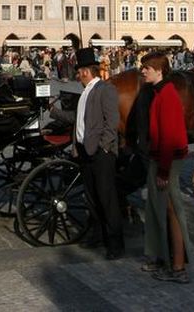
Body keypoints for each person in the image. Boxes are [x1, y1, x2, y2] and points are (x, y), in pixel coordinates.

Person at [140, 51, 191, 284]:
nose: (143, 71)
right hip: (159, 158)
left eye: (147, 68)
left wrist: (162, 171)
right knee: (158, 209)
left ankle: (178, 266)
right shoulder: (158, 92)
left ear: (159, 70)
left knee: (171, 210)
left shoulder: (167, 94)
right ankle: (162, 257)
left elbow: (170, 137)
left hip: (167, 161)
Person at [70, 47, 124, 260]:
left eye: (79, 71)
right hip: (85, 151)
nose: (77, 75)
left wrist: (103, 145)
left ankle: (116, 243)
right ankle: (97, 235)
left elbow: (112, 122)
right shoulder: (84, 92)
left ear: (86, 71)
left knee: (107, 197)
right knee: (91, 197)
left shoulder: (105, 89)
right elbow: (79, 120)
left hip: (101, 153)